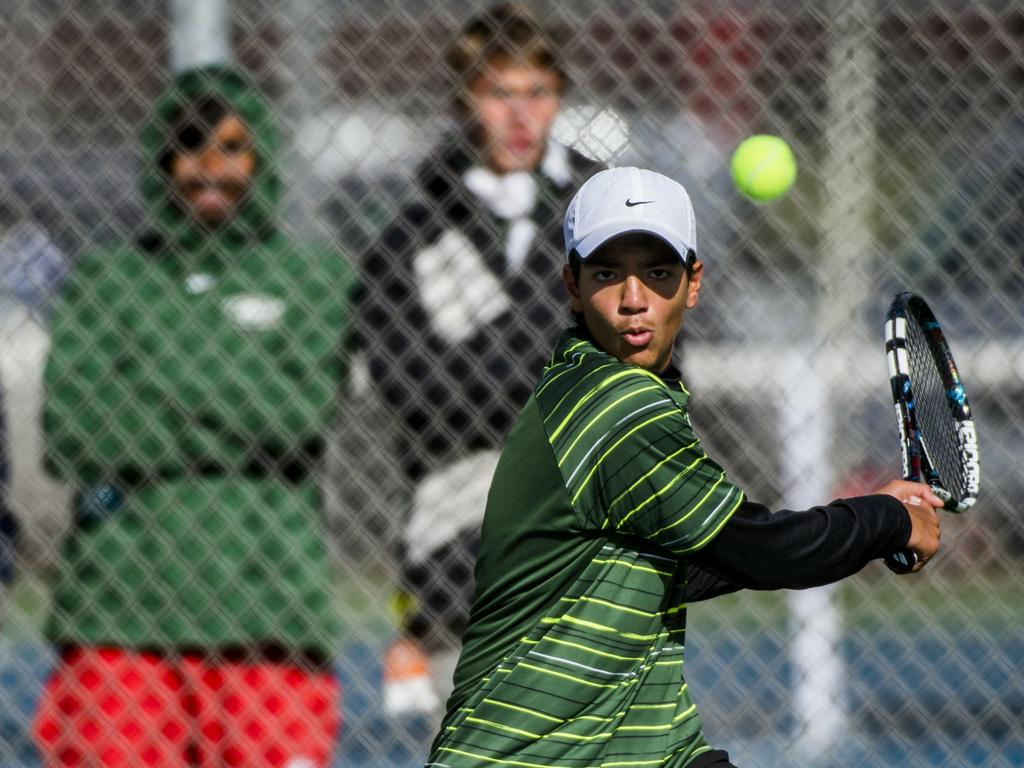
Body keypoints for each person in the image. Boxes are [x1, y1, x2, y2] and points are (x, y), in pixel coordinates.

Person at [425, 167, 943, 768]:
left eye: (659, 272)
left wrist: (869, 516)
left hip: (644, 746)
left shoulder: (580, 383)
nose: (634, 299)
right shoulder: (616, 406)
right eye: (607, 273)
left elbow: (681, 563)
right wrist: (882, 522)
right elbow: (759, 549)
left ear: (693, 283)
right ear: (571, 284)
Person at [34, 65, 357, 767]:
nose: (210, 168)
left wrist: (148, 372)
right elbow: (70, 430)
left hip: (266, 603)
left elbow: (296, 416)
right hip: (120, 605)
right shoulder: (106, 279)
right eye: (190, 145)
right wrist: (237, 405)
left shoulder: (313, 278)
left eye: (233, 147)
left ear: (263, 158)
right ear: (161, 160)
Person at [358, 3, 601, 717]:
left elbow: (655, 374)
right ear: (465, 100)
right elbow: (418, 398)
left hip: (591, 521)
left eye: (538, 93)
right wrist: (554, 344)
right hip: (457, 541)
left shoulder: (609, 216)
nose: (521, 115)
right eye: (499, 93)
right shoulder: (410, 238)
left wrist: (479, 363)